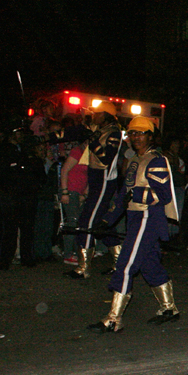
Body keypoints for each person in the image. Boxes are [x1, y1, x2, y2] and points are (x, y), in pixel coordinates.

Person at [88, 117, 179, 333]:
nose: (136, 137)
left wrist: (136, 193)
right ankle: (169, 308)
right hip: (135, 218)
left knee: (126, 265)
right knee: (149, 265)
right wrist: (106, 221)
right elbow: (122, 196)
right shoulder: (134, 161)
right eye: (133, 133)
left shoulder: (157, 160)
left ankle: (113, 319)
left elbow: (164, 195)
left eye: (141, 133)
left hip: (149, 217)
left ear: (150, 136)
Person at [69, 103, 124, 279]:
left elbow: (106, 158)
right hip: (95, 179)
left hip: (104, 180)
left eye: (97, 113)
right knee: (100, 224)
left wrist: (93, 142)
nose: (94, 116)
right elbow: (81, 128)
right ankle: (119, 263)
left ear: (105, 115)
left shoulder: (114, 132)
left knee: (86, 222)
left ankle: (83, 268)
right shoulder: (100, 128)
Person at [0, 127, 45, 269]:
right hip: (11, 195)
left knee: (27, 228)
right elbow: (2, 174)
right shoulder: (5, 151)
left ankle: (27, 257)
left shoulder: (25, 150)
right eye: (18, 133)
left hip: (27, 195)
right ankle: (6, 260)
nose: (21, 135)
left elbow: (35, 172)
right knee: (10, 229)